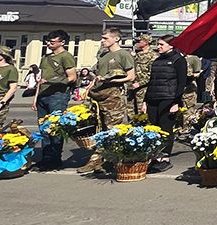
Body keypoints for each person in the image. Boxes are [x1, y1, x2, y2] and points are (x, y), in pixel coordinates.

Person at [79, 28, 136, 174]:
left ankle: (110, 161)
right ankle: (101, 160)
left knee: (112, 129)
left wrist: (112, 79)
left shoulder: (123, 54)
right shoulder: (103, 55)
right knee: (101, 129)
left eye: (105, 38)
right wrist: (88, 89)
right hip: (99, 95)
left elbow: (131, 76)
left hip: (114, 96)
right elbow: (97, 75)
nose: (102, 41)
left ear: (116, 39)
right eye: (102, 38)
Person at [33, 30, 78, 171]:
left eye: (52, 42)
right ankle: (46, 158)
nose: (48, 44)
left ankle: (55, 159)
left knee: (55, 128)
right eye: (47, 41)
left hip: (58, 95)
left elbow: (72, 77)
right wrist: (35, 98)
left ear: (62, 42)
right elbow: (40, 80)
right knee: (44, 128)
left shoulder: (66, 56)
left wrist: (53, 82)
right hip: (43, 95)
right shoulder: (45, 57)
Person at [143, 35, 186, 173]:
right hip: (154, 98)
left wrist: (176, 102)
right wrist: (146, 100)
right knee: (154, 129)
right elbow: (152, 81)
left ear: (171, 45)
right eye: (158, 44)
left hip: (168, 99)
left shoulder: (178, 60)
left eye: (162, 44)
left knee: (166, 128)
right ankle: (155, 156)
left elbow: (181, 83)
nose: (158, 47)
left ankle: (165, 157)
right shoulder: (157, 60)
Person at [128, 33, 155, 123]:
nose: (137, 43)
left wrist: (140, 83)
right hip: (132, 86)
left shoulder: (153, 56)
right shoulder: (137, 55)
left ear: (146, 42)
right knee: (130, 111)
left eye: (139, 41)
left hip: (144, 88)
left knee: (142, 112)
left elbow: (152, 74)